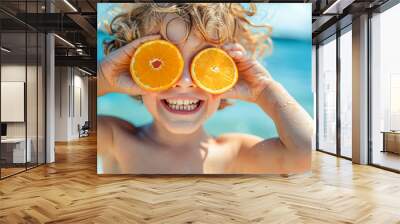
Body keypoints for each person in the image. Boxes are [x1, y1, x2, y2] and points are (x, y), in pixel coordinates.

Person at [97, 3, 313, 174]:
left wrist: (265, 91)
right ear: (134, 66)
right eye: (163, 59)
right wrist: (103, 78)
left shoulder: (235, 152)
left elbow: (308, 154)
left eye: (206, 62)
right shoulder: (115, 139)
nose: (184, 80)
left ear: (231, 70)